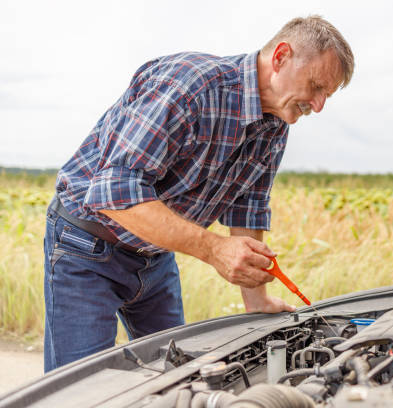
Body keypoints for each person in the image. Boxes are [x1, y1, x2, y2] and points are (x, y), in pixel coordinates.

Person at [43, 15, 354, 372]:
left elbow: (247, 207)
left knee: (177, 376)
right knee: (83, 386)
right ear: (281, 56)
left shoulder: (276, 125)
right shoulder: (190, 86)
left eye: (326, 96)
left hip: (155, 257)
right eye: (316, 87)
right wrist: (214, 248)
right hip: (87, 247)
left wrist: (257, 299)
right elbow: (115, 193)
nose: (318, 106)